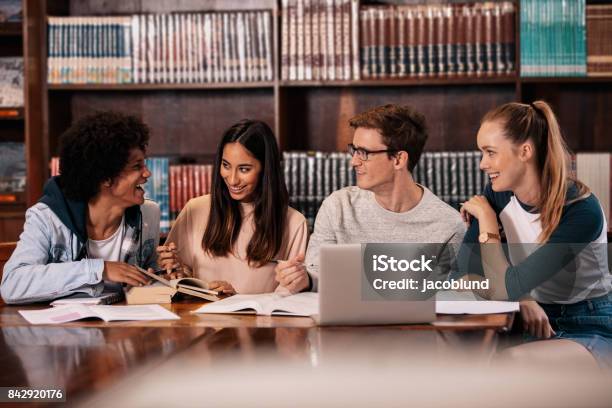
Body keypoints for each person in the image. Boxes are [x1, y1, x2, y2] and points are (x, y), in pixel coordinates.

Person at [458, 100, 611, 369]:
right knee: (468, 360)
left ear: (525, 151)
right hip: (529, 318)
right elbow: (463, 272)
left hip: (590, 323)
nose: (483, 164)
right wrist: (522, 298)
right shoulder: (498, 193)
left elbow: (507, 284)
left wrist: (487, 222)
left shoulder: (581, 210)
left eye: (490, 152)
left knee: (509, 364)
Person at [276, 104, 466, 291]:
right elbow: (316, 273)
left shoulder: (449, 225)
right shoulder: (338, 206)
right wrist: (303, 279)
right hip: (343, 320)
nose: (354, 161)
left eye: (364, 153)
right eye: (354, 150)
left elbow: (447, 298)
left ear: (399, 159)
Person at [1, 111, 158, 304]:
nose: (147, 173)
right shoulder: (46, 218)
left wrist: (161, 273)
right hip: (58, 332)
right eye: (137, 167)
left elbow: (147, 276)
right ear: (105, 177)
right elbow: (12, 285)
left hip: (126, 328)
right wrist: (100, 269)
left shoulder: (149, 214)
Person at [157, 119, 308, 295]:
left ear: (266, 169)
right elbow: (177, 282)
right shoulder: (195, 209)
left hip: (260, 322)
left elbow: (290, 298)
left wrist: (234, 299)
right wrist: (174, 271)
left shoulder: (294, 223)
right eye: (226, 165)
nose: (232, 179)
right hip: (200, 320)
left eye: (244, 169)